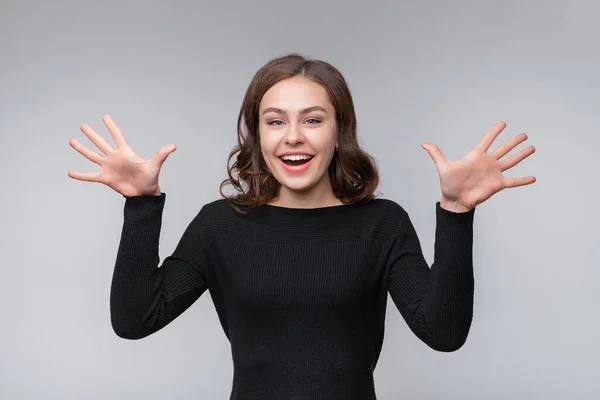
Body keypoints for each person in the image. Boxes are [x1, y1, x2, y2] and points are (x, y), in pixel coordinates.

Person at [67, 53, 536, 399]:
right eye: (275, 122)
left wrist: (456, 212)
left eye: (313, 119)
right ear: (258, 135)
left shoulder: (381, 224)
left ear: (339, 132)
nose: (294, 136)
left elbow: (444, 333)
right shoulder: (220, 226)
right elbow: (134, 321)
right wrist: (141, 206)